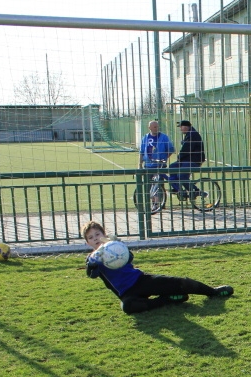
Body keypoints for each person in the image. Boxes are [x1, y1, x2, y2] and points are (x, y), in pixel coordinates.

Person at [81, 221, 233, 314]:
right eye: (91, 237)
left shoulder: (115, 247)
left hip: (141, 280)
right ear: (87, 243)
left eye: (97, 234)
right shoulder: (93, 258)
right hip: (127, 292)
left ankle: (213, 291)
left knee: (178, 282)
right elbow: (92, 273)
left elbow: (130, 258)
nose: (95, 239)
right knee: (128, 307)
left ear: (104, 234)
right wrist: (93, 264)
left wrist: (120, 247)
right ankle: (167, 300)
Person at [169, 120, 206, 200]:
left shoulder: (192, 134)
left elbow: (186, 149)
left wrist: (179, 157)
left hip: (193, 161)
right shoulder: (190, 134)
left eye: (181, 127)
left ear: (186, 127)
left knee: (182, 175)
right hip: (187, 160)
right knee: (172, 167)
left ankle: (195, 190)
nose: (180, 129)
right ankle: (178, 189)